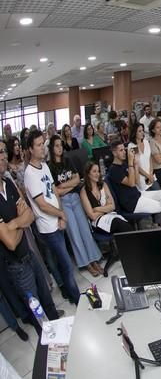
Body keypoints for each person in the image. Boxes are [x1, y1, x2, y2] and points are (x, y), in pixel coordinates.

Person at [0, 145, 62, 334]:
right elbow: (10, 243)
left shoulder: (8, 183)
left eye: (3, 152)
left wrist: (14, 224)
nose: (3, 157)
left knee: (46, 298)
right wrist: (21, 222)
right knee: (37, 311)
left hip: (29, 254)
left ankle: (60, 330)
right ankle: (48, 343)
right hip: (16, 265)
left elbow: (30, 215)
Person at [23, 130, 80, 304]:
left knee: (64, 263)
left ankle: (71, 293)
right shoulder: (30, 174)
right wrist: (61, 214)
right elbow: (42, 205)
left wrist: (61, 214)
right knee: (66, 264)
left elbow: (54, 192)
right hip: (48, 227)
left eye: (43, 144)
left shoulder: (45, 166)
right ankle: (77, 298)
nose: (43, 148)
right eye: (38, 145)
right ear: (31, 149)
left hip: (57, 221)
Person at [47, 135, 103, 277]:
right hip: (64, 202)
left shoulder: (68, 160)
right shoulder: (50, 167)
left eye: (61, 145)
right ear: (52, 148)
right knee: (75, 234)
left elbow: (77, 179)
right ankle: (86, 263)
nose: (60, 148)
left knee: (85, 230)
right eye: (56, 146)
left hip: (75, 198)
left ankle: (94, 259)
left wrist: (62, 186)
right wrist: (68, 186)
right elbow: (56, 191)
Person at [108, 141, 161, 226]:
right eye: (121, 150)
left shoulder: (124, 164)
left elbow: (136, 181)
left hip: (137, 195)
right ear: (114, 153)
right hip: (132, 203)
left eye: (124, 150)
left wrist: (136, 164)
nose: (124, 152)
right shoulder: (114, 170)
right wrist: (130, 163)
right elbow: (132, 183)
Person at [80, 161, 135, 234]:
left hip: (111, 216)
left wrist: (96, 209)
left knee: (125, 226)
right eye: (94, 171)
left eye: (98, 171)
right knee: (120, 225)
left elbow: (112, 206)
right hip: (98, 222)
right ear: (88, 174)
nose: (97, 174)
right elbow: (92, 216)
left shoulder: (103, 185)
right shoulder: (84, 191)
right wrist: (106, 208)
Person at [127, 123, 157, 192]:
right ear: (135, 133)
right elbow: (136, 165)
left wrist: (151, 174)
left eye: (142, 130)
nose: (142, 133)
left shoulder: (146, 142)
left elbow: (150, 159)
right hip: (142, 180)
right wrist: (147, 176)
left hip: (151, 176)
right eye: (139, 131)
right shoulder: (132, 146)